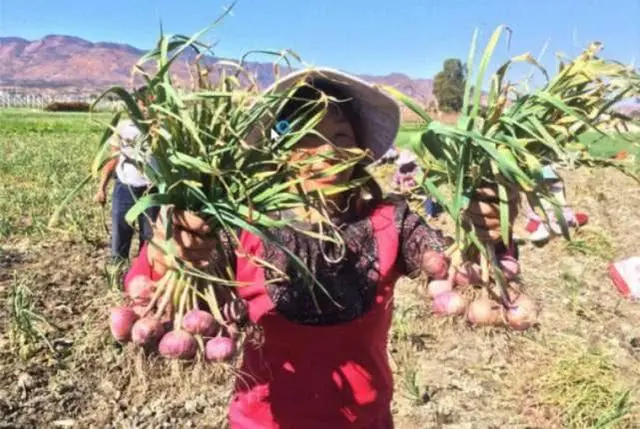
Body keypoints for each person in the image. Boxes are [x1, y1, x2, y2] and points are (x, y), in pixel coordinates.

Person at [123, 69, 516, 429]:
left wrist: (487, 230)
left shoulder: (389, 220)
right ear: (279, 150)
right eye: (307, 136)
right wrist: (168, 250)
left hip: (365, 421)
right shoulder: (244, 225)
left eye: (341, 137)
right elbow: (153, 276)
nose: (325, 151)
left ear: (359, 152)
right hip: (262, 421)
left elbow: (444, 260)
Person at [95, 86, 160, 262]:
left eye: (151, 103)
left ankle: (144, 275)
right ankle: (117, 273)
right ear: (135, 104)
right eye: (143, 103)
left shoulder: (163, 129)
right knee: (120, 233)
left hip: (152, 191)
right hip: (125, 188)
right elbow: (112, 158)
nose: (146, 107)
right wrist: (102, 188)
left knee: (150, 237)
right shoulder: (124, 128)